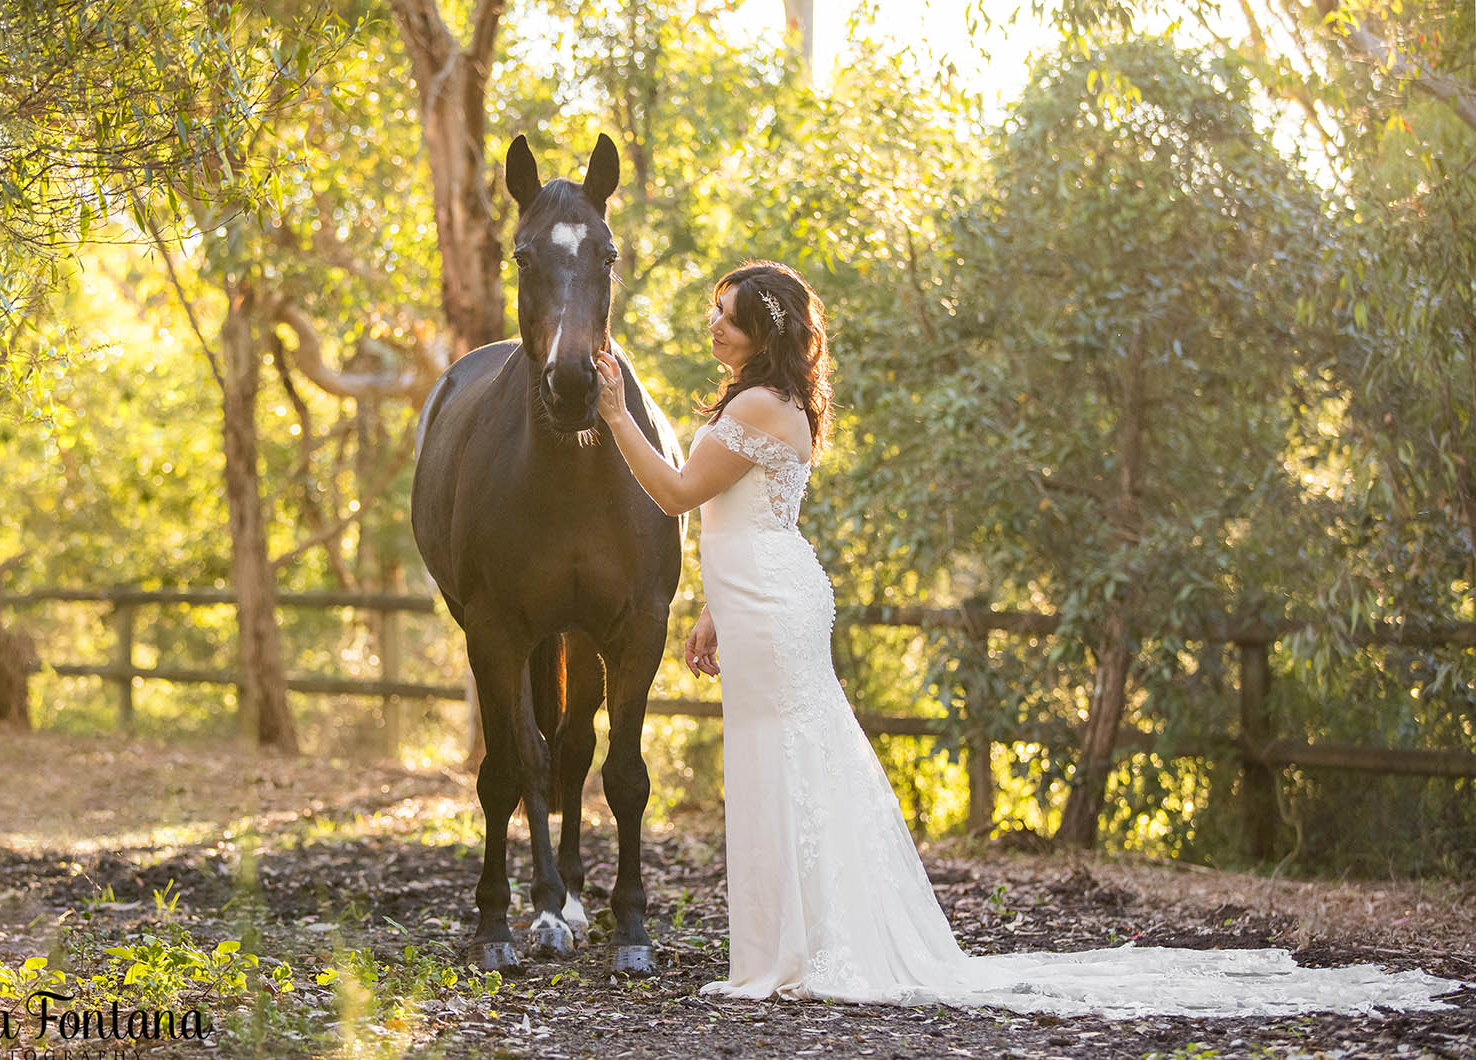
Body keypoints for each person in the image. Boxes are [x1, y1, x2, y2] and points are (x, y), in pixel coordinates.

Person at [591, 260, 1462, 1017]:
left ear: (761, 327)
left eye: (724, 310)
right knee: (778, 761)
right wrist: (711, 605)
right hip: (759, 592)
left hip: (775, 603)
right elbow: (743, 511)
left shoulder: (764, 405)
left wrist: (618, 411)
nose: (711, 321)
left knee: (786, 760)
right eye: (713, 308)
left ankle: (804, 952)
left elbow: (674, 494)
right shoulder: (763, 402)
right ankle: (793, 946)